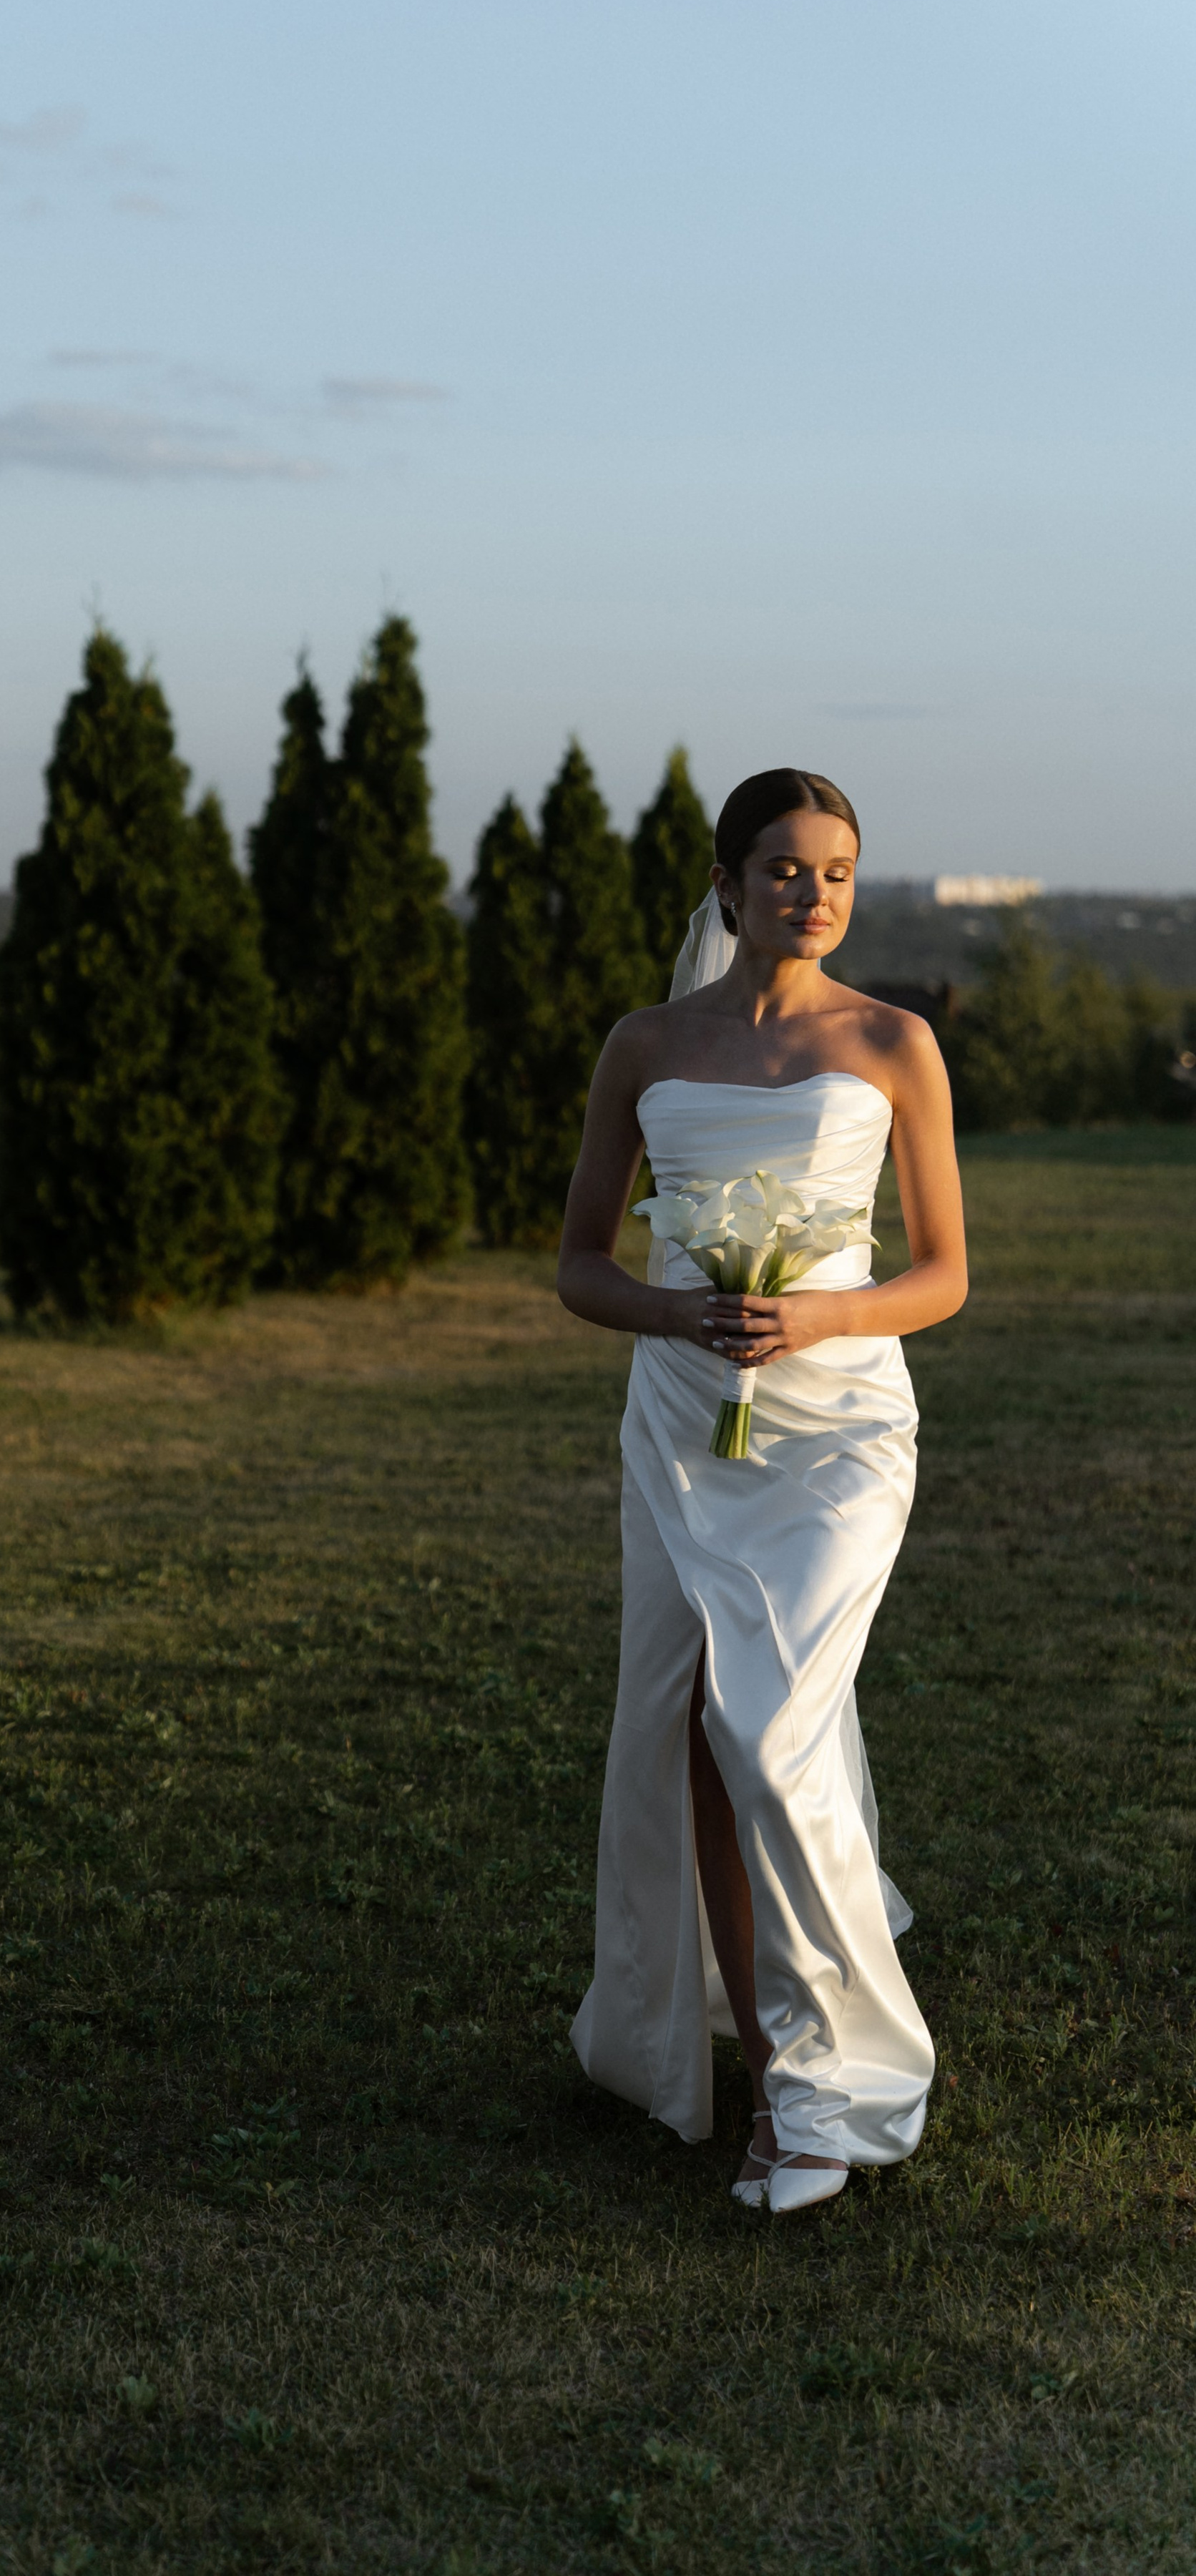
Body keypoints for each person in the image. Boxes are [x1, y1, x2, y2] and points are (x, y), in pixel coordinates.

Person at [557, 770, 967, 2214]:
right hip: (679, 1423)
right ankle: (768, 2077)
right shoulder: (644, 1046)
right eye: (785, 870)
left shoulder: (891, 1043)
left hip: (839, 1426)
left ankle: (826, 2074)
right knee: (692, 1726)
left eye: (837, 872)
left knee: (770, 1716)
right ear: (725, 887)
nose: (813, 895)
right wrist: (678, 1317)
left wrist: (815, 1319)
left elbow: (939, 1274)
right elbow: (580, 1263)